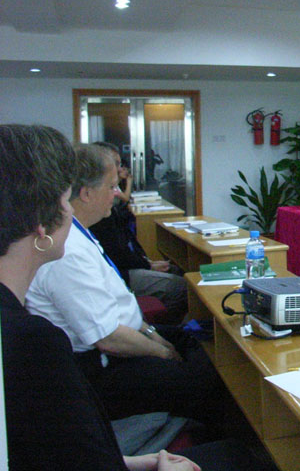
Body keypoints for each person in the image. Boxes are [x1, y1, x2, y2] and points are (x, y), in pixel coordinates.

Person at [0, 124, 202, 470]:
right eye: (64, 201)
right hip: (103, 366)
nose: (69, 211)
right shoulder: (33, 342)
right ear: (41, 225)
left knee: (200, 345)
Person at [25, 143, 224, 426]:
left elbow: (117, 307)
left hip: (126, 339)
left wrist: (153, 333)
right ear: (86, 193)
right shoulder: (67, 252)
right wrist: (162, 352)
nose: (118, 193)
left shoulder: (80, 233)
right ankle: (205, 435)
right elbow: (109, 339)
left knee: (205, 342)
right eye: (111, 186)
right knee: (205, 375)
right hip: (103, 367)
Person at [90, 141, 187, 320]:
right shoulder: (98, 213)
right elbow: (118, 253)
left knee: (179, 271)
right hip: (121, 273)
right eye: (116, 164)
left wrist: (146, 262)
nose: (120, 169)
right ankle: (163, 327)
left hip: (127, 266)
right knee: (182, 287)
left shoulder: (107, 208)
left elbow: (124, 244)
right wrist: (147, 265)